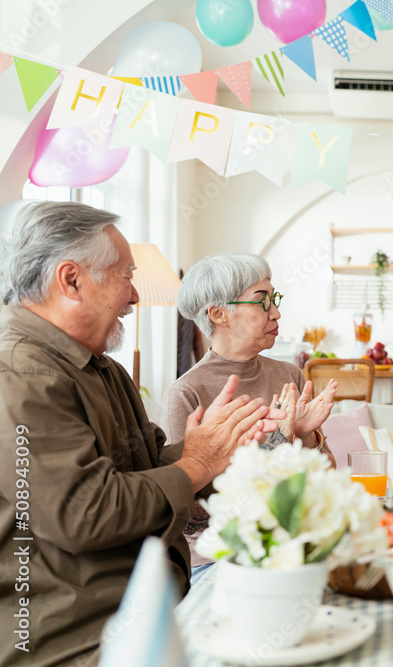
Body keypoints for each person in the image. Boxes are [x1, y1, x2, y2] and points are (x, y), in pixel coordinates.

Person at [0, 202, 282, 667]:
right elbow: (83, 512)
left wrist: (225, 448)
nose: (134, 297)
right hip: (77, 641)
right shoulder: (19, 372)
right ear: (71, 280)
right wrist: (198, 463)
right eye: (125, 275)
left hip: (151, 612)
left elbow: (151, 464)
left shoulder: (101, 369)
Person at [162, 254, 337, 582]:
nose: (276, 312)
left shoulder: (290, 376)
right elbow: (187, 518)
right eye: (262, 302)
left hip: (295, 546)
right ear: (218, 314)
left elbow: (325, 476)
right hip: (221, 559)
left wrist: (306, 436)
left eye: (275, 299)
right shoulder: (186, 393)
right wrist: (280, 441)